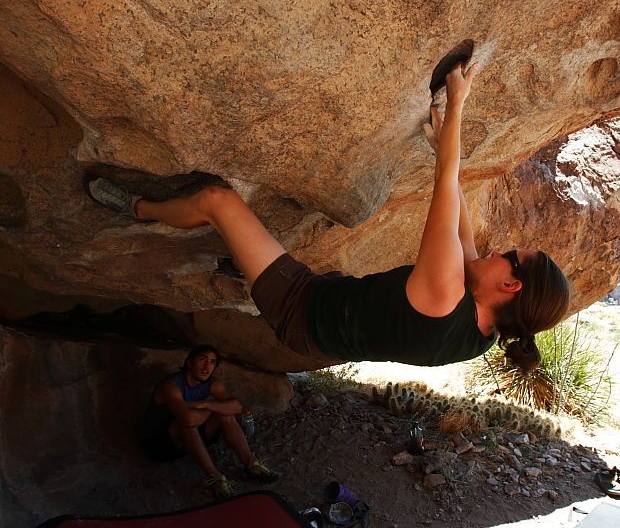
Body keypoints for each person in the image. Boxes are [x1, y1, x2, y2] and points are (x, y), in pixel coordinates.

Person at [87, 61, 571, 373]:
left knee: (219, 201)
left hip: (303, 310)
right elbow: (460, 223)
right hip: (331, 318)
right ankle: (242, 264)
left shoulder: (446, 294)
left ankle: (140, 208)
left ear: (512, 286)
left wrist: (459, 106)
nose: (495, 252)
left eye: (509, 257)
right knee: (254, 244)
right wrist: (440, 147)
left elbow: (446, 187)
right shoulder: (481, 330)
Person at [140, 345, 279, 499]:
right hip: (159, 446)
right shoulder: (171, 386)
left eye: (212, 362)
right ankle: (216, 479)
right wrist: (216, 408)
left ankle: (251, 465)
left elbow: (236, 407)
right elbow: (189, 419)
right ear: (189, 363)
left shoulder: (212, 383)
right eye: (203, 360)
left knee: (225, 415)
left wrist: (205, 404)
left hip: (188, 442)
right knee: (189, 422)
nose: (207, 366)